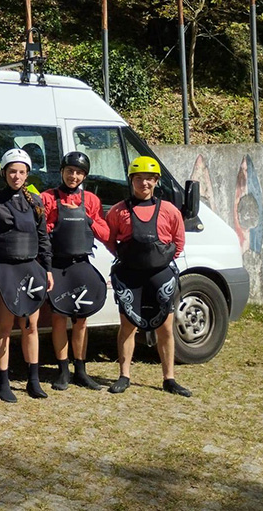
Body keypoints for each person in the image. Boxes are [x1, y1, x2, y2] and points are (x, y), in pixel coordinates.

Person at [105, 156, 192, 397]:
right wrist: (130, 258)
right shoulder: (118, 210)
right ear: (131, 180)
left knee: (165, 327)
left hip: (160, 276)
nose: (145, 183)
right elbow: (111, 240)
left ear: (156, 182)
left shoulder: (169, 210)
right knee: (128, 326)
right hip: (130, 276)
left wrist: (159, 260)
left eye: (150, 179)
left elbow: (179, 242)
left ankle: (169, 378)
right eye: (139, 178)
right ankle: (124, 375)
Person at [0, 148, 53, 401]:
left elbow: (43, 237)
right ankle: (3, 382)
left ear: (27, 174)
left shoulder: (35, 201)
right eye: (12, 171)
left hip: (30, 268)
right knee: (3, 326)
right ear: (3, 173)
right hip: (2, 270)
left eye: (21, 171)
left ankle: (33, 381)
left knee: (31, 325)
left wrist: (47, 269)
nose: (17, 176)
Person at [41, 151, 110, 391]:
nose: (74, 176)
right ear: (62, 171)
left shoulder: (91, 200)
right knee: (59, 318)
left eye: (79, 172)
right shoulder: (47, 198)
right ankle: (62, 370)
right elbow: (42, 230)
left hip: (81, 264)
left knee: (81, 319)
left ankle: (80, 369)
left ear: (84, 176)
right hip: (58, 265)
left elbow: (105, 232)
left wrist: (88, 220)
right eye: (70, 171)